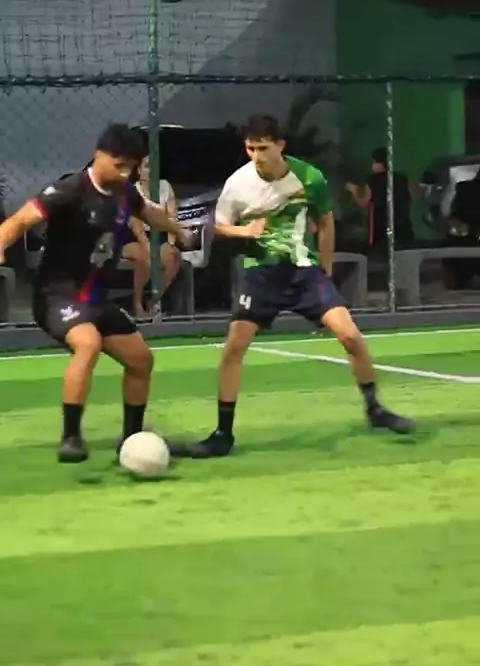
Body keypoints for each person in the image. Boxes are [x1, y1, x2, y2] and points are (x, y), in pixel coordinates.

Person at [182, 115, 413, 458]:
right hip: (261, 273)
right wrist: (244, 231)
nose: (256, 156)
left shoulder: (308, 177)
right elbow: (218, 226)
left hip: (305, 272)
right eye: (250, 148)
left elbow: (325, 223)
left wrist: (326, 269)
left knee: (350, 336)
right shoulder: (238, 183)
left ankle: (374, 408)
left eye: (263, 148)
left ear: (280, 145)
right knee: (234, 347)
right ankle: (222, 434)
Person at [0, 123, 193, 464]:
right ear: (97, 154)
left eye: (130, 167)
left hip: (97, 301)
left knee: (141, 360)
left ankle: (131, 438)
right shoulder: (69, 190)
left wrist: (180, 231)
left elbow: (150, 213)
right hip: (57, 296)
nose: (125, 173)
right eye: (118, 165)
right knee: (87, 344)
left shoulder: (126, 193)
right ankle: (71, 437)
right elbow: (18, 221)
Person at [122, 157, 181, 316]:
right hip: (136, 236)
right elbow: (135, 223)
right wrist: (147, 245)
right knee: (145, 257)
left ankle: (154, 300)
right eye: (147, 166)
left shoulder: (165, 186)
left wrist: (170, 242)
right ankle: (137, 303)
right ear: (139, 171)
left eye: (154, 166)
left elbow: (171, 217)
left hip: (160, 234)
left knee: (173, 257)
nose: (151, 170)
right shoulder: (133, 190)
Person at [346, 147, 414, 252]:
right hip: (404, 228)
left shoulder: (374, 180)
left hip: (382, 231)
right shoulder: (402, 178)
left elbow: (363, 204)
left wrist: (353, 191)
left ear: (380, 163)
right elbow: (411, 195)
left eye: (374, 162)